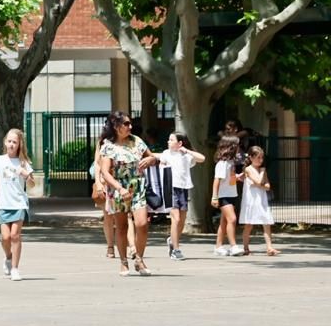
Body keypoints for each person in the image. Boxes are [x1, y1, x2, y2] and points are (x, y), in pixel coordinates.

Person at [96, 111, 159, 276]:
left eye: (130, 123)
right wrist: (119, 188)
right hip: (119, 188)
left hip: (137, 186)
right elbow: (105, 172)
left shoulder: (136, 141)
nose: (130, 127)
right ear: (116, 127)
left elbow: (151, 157)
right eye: (126, 124)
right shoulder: (108, 146)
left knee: (142, 224)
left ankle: (139, 258)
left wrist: (152, 160)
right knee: (122, 226)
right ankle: (124, 262)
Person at [0, 128, 35, 281]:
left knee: (15, 236)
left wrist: (26, 176)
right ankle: (8, 257)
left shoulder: (24, 162)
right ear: (5, 142)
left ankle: (15, 268)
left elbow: (32, 185)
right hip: (4, 203)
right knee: (5, 237)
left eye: (15, 142)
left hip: (19, 203)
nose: (11, 144)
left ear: (19, 145)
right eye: (9, 141)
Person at [158, 132, 206, 260]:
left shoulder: (186, 156)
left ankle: (172, 240)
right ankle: (176, 249)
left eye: (171, 139)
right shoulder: (166, 154)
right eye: (169, 139)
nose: (168, 142)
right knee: (176, 218)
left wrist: (187, 151)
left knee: (182, 220)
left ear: (179, 143)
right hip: (170, 188)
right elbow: (160, 163)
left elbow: (202, 158)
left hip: (183, 188)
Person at [238, 145, 278, 256]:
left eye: (261, 158)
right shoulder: (248, 169)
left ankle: (269, 247)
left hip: (261, 199)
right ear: (251, 157)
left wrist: (262, 183)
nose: (260, 160)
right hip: (251, 200)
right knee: (249, 224)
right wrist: (262, 175)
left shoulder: (261, 170)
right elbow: (259, 181)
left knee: (266, 222)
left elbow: (267, 185)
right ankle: (246, 247)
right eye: (258, 158)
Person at [211, 134, 243, 256]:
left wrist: (237, 177)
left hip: (231, 194)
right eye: (237, 145)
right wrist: (214, 196)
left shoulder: (230, 163)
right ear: (231, 147)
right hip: (223, 196)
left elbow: (229, 180)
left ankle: (218, 246)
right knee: (232, 219)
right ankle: (233, 246)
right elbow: (217, 180)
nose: (239, 147)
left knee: (224, 222)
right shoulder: (222, 164)